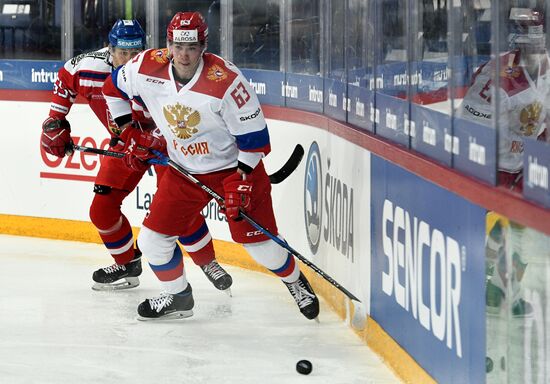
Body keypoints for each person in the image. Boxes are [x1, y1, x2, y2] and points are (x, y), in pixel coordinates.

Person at [102, 11, 320, 321]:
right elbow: (113, 90)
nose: (185, 55)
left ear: (204, 46)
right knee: (152, 241)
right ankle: (178, 296)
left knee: (259, 247)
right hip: (183, 171)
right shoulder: (145, 66)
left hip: (235, 169)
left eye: (192, 47)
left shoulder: (226, 81)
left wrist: (242, 180)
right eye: (178, 46)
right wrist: (129, 133)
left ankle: (294, 280)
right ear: (169, 44)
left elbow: (254, 138)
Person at [40, 19, 232, 293]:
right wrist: (54, 122)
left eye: (135, 53)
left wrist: (160, 140)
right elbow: (65, 80)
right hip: (126, 143)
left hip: (169, 144)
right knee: (101, 210)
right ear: (110, 49)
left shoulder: (162, 69)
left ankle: (207, 262)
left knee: (176, 209)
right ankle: (127, 263)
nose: (130, 60)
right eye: (123, 53)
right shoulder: (87, 67)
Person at [458, 7, 550, 192]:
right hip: (494, 173)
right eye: (522, 30)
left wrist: (538, 150)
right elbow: (470, 134)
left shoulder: (546, 68)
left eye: (534, 31)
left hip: (526, 168)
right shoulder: (495, 78)